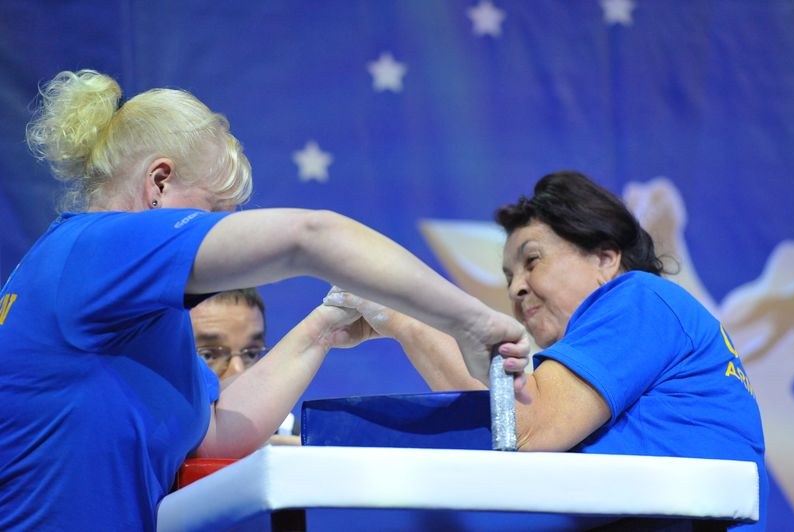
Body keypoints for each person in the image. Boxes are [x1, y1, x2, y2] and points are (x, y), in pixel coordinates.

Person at [0, 69, 529, 531]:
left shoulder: (128, 305)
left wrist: (323, 327)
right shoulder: (100, 247)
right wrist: (474, 323)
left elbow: (214, 438)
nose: (222, 233)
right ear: (158, 183)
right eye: (214, 214)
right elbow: (311, 236)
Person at [327, 171, 768, 530]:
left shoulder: (641, 298)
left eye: (532, 260)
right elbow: (497, 421)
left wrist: (402, 316)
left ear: (604, 258)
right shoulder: (592, 369)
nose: (516, 286)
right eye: (507, 275)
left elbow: (524, 431)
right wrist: (404, 326)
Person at [190, 288, 298, 441]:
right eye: (208, 354)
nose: (238, 371)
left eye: (251, 354)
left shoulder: (286, 433)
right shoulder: (148, 443)